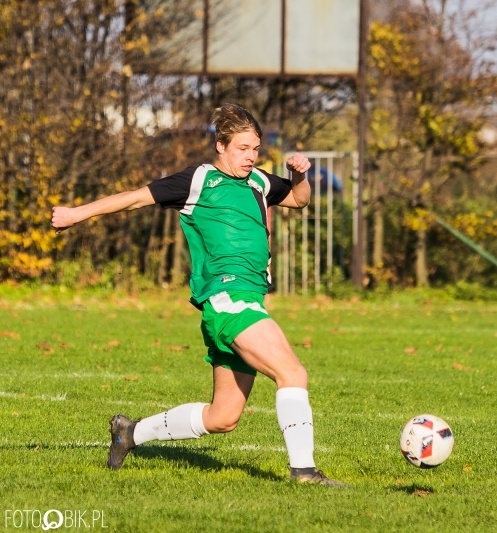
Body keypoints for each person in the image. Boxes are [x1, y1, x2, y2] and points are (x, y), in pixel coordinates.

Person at [51, 103, 345, 487]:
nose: (251, 156)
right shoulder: (199, 180)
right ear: (221, 145)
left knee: (223, 417)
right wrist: (77, 214)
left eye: (255, 148)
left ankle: (130, 433)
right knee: (292, 372)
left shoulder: (257, 181)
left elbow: (299, 200)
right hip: (227, 300)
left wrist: (298, 176)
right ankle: (304, 473)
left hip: (248, 300)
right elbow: (135, 197)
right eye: (242, 148)